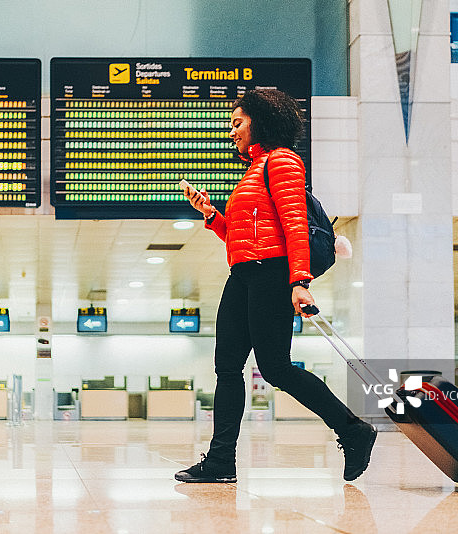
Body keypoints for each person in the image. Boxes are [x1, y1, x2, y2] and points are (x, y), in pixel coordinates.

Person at [175, 88, 376, 484]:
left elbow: (294, 227)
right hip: (244, 274)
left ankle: (353, 430)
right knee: (227, 367)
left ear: (261, 120)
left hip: (272, 274)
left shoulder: (283, 161)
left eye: (238, 123)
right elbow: (246, 237)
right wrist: (212, 214)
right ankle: (220, 461)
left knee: (276, 368)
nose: (231, 132)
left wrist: (299, 281)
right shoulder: (252, 169)